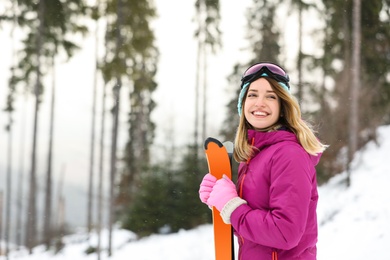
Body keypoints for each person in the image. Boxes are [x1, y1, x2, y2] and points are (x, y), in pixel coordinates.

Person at [199, 62, 327, 260]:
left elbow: (285, 233)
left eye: (270, 96)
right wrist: (221, 202)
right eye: (252, 95)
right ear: (243, 105)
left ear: (282, 106)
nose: (259, 103)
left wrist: (231, 205)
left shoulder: (289, 155)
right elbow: (255, 234)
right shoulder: (254, 156)